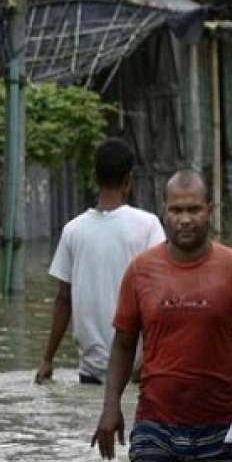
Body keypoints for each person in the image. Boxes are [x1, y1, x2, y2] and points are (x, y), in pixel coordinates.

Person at [92, 171, 232, 462]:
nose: (185, 219)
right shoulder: (140, 271)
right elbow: (122, 345)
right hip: (155, 427)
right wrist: (110, 407)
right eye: (176, 210)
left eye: (194, 209)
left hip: (221, 428)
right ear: (164, 212)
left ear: (210, 210)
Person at [36, 138, 166, 385]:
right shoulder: (148, 225)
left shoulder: (72, 230)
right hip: (137, 371)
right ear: (129, 181)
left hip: (91, 372)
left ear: (94, 177)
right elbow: (158, 299)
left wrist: (47, 359)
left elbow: (63, 299)